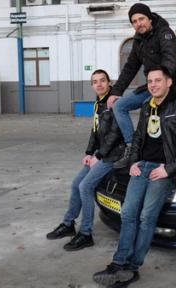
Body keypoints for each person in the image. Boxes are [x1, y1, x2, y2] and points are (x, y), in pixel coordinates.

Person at [93, 68, 176, 287]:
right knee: (128, 213)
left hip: (162, 169)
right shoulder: (145, 108)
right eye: (150, 81)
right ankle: (118, 262)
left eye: (157, 80)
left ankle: (133, 267)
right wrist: (133, 162)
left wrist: (169, 169)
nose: (153, 85)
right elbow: (139, 138)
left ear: (169, 82)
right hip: (142, 167)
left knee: (146, 217)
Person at [46, 69, 126, 251]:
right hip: (100, 152)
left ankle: (86, 233)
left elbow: (116, 134)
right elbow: (95, 131)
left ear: (109, 82)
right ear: (92, 85)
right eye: (95, 81)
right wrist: (89, 152)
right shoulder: (98, 103)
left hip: (114, 154)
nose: (99, 84)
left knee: (85, 186)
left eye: (102, 80)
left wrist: (98, 155)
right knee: (76, 184)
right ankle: (68, 224)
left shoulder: (115, 103)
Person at [109, 3, 176, 169]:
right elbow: (130, 67)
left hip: (173, 84)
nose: (139, 23)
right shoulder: (138, 41)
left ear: (150, 18)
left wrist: (160, 81)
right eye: (134, 21)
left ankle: (158, 151)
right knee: (119, 106)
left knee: (147, 107)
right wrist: (115, 91)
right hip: (151, 86)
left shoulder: (164, 33)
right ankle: (132, 148)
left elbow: (171, 58)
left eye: (141, 19)